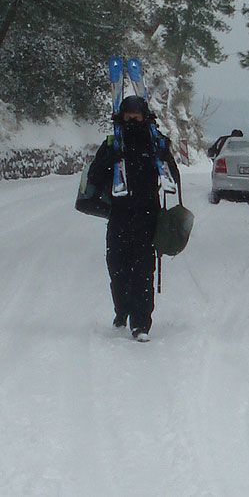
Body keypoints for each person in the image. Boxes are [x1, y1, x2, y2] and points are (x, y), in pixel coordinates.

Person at [87, 95, 180, 342]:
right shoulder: (112, 144)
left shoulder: (155, 144)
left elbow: (173, 178)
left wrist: (164, 154)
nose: (132, 120)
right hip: (118, 215)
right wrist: (109, 160)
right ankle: (122, 310)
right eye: (127, 116)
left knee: (142, 271)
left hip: (147, 216)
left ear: (144, 117)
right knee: (117, 268)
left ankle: (141, 323)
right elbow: (95, 178)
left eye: (136, 116)